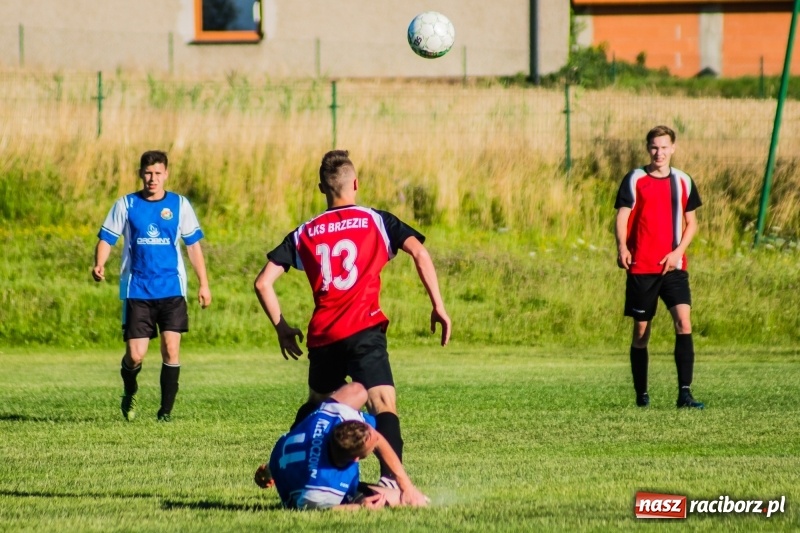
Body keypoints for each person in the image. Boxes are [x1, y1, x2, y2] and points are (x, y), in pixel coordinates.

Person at [254, 149, 451, 486]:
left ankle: (281, 462)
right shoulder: (377, 220)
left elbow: (263, 282)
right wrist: (438, 305)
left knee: (317, 406)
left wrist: (282, 328)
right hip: (364, 328)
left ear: (321, 188)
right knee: (382, 402)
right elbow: (419, 251)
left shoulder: (305, 232)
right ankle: (390, 483)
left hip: (325, 336)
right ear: (355, 183)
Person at [92, 150, 212, 422]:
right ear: (140, 174)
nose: (152, 178)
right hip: (138, 290)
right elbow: (107, 238)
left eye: (158, 173)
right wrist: (100, 263)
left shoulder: (180, 205)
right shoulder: (126, 204)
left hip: (172, 289)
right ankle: (130, 389)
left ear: (166, 174)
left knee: (171, 349)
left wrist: (204, 284)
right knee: (135, 355)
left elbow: (193, 246)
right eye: (148, 173)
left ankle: (165, 413)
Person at [614, 125, 704, 409]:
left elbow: (692, 223)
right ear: (647, 148)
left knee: (684, 322)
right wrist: (622, 247)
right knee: (641, 332)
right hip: (642, 267)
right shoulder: (635, 179)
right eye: (654, 147)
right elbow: (622, 216)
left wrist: (678, 252)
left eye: (664, 147)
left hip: (674, 267)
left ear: (673, 148)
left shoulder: (683, 181)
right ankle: (641, 395)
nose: (659, 153)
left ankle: (685, 394)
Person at [254, 381, 429, 510]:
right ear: (355, 459)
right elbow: (321, 513)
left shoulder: (332, 417)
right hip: (305, 490)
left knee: (358, 390)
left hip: (289, 461)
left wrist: (407, 486)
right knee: (397, 500)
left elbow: (376, 439)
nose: (377, 440)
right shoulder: (320, 490)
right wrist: (360, 507)